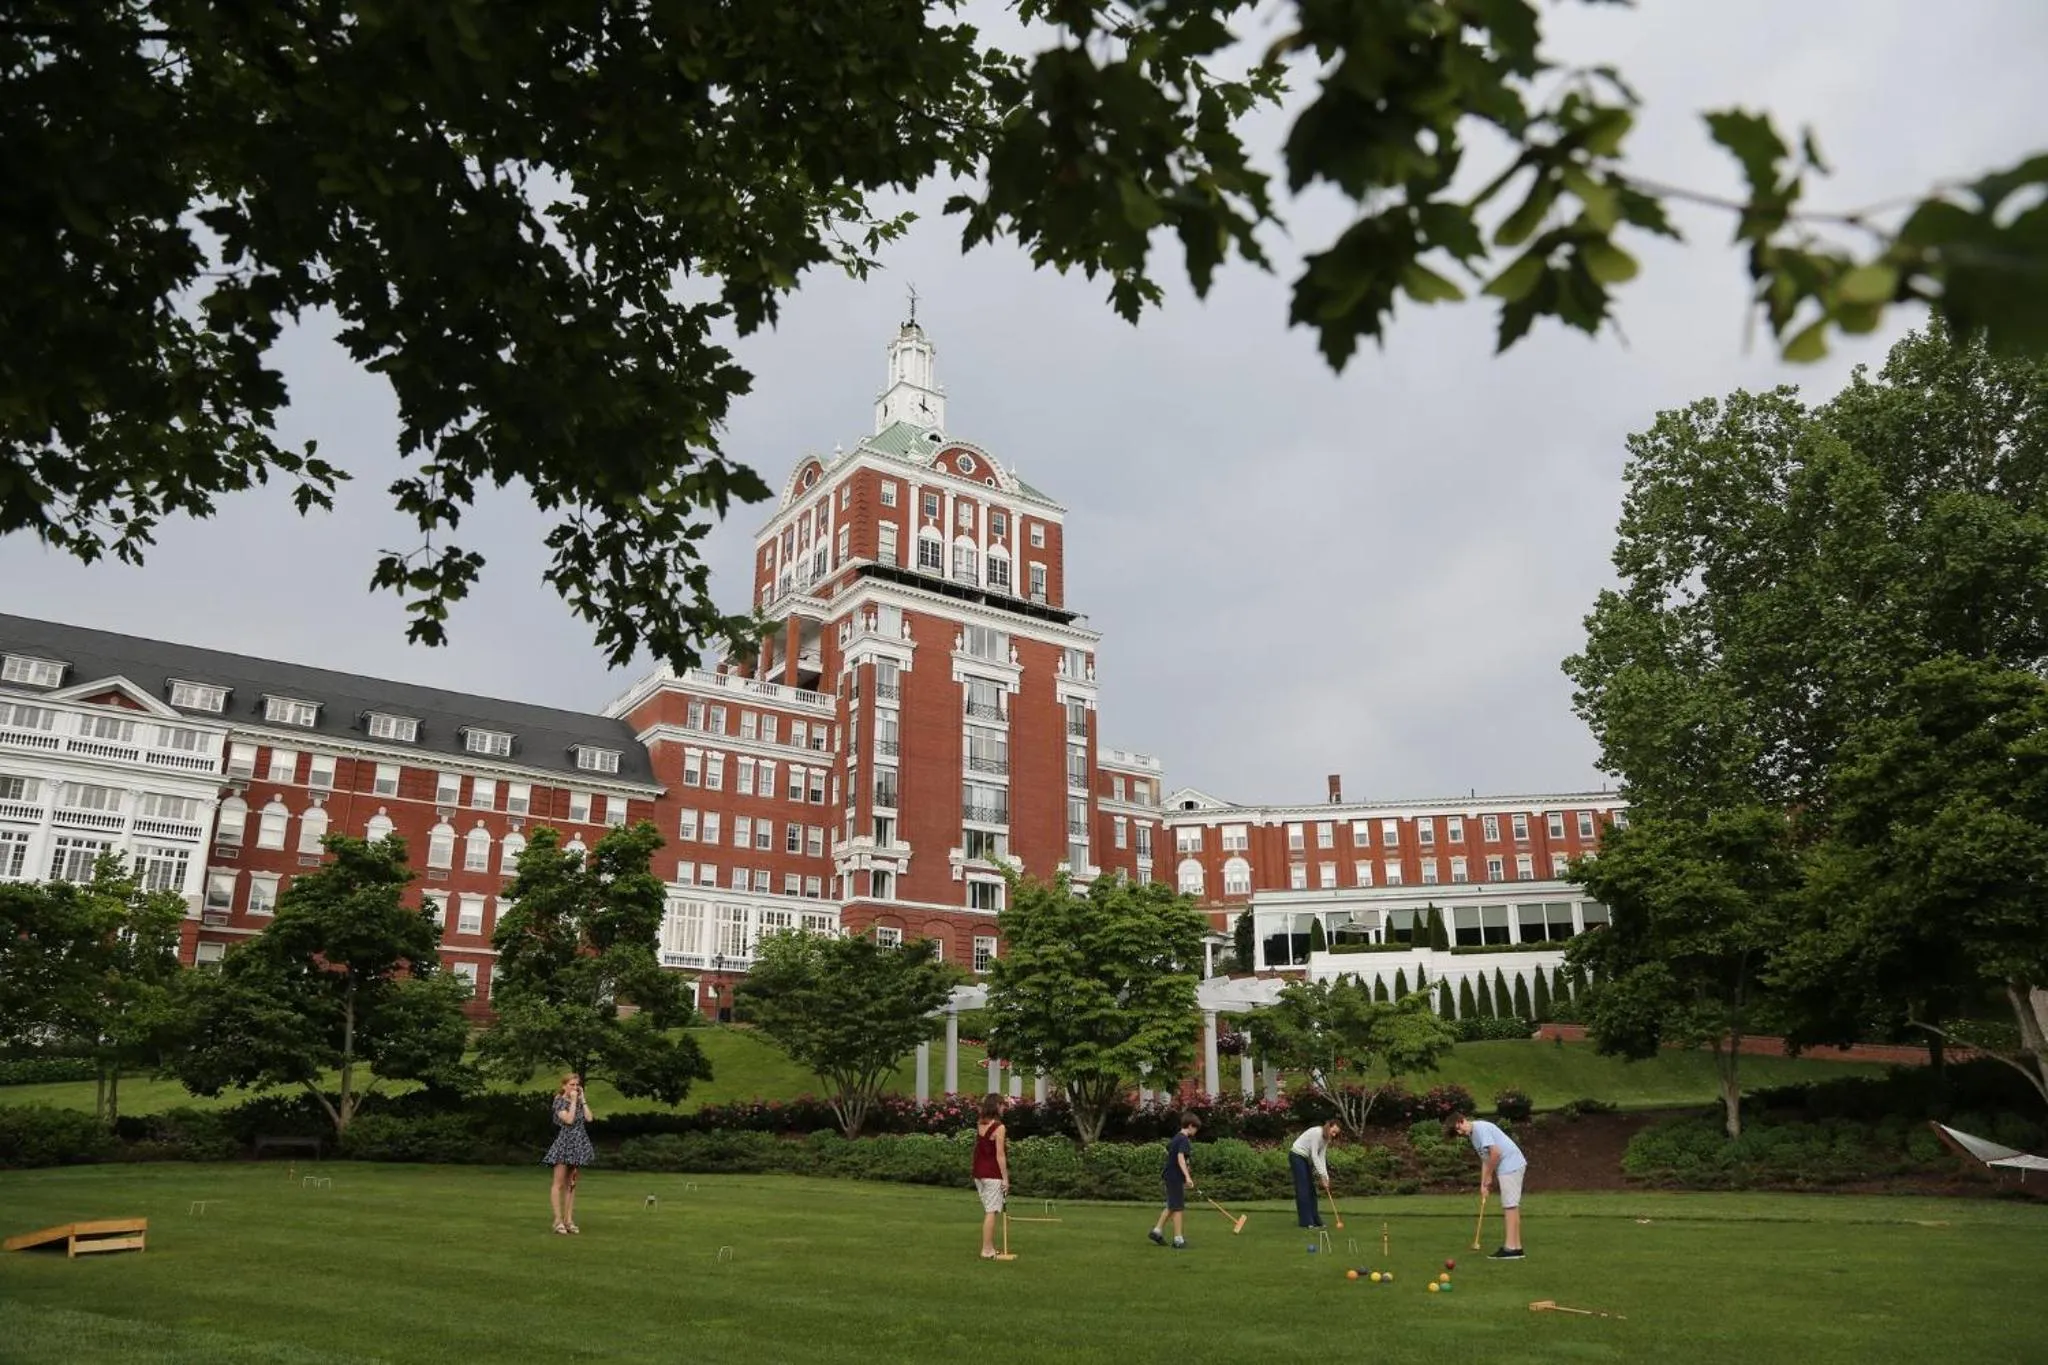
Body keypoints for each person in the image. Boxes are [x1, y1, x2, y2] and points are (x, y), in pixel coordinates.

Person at [1448, 1113, 1526, 1258]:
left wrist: (1489, 1175)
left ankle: (1511, 1248)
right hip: (1508, 1165)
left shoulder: (1480, 1129)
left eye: (1458, 1128)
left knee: (1510, 1206)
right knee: (1512, 1206)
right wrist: (1483, 1184)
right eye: (1456, 1132)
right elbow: (1486, 1159)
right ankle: (1516, 1247)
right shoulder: (1473, 1135)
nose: (1459, 1133)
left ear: (1462, 1120)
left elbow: (1496, 1153)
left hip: (1511, 1164)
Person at [544, 1074, 597, 1235]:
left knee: (571, 1185)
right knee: (558, 1183)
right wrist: (573, 1101)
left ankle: (569, 1220)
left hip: (578, 1145)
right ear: (564, 1086)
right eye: (572, 1084)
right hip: (564, 1145)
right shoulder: (559, 1101)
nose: (575, 1088)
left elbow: (589, 1118)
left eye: (577, 1085)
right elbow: (569, 1120)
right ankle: (558, 1220)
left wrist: (582, 1099)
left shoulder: (579, 1101)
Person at [1148, 1114, 1200, 1249]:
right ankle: (1178, 1240)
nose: (1195, 1132)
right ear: (1190, 1126)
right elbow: (1180, 1157)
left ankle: (1156, 1232)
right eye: (1195, 1128)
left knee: (1172, 1205)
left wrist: (1185, 1169)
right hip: (1174, 1177)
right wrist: (1187, 1177)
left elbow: (1170, 1151)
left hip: (1170, 1175)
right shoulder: (1184, 1139)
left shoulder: (1176, 1137)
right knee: (1178, 1207)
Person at [972, 1093, 1010, 1259]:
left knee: (989, 1209)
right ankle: (987, 1250)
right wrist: (1005, 1179)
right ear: (996, 1106)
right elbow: (1000, 1155)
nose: (1004, 1108)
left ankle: (990, 1247)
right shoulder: (999, 1127)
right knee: (991, 1211)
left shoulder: (980, 1123)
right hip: (992, 1173)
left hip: (979, 1173)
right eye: (1002, 1105)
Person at [1289, 1119, 1342, 1228]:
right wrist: (1321, 1175)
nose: (1334, 1135)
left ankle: (1315, 1219)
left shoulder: (1326, 1139)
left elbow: (1322, 1157)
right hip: (1296, 1155)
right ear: (1328, 1126)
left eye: (1336, 1134)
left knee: (1311, 1189)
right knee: (1303, 1189)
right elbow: (1314, 1155)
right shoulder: (1317, 1133)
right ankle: (1306, 1221)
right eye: (1333, 1131)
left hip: (1304, 1158)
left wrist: (1326, 1177)